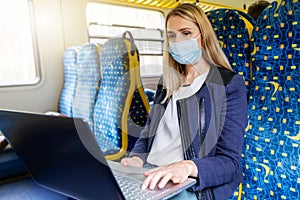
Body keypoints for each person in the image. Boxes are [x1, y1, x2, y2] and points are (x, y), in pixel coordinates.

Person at [121, 3, 248, 200]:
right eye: (172, 36)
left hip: (187, 183)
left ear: (203, 36)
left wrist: (187, 167)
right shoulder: (167, 82)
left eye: (186, 33)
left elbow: (230, 162)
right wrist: (136, 160)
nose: (178, 41)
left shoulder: (228, 84)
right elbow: (147, 135)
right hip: (150, 174)